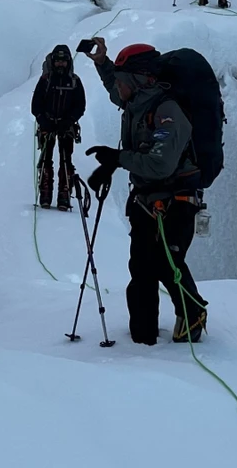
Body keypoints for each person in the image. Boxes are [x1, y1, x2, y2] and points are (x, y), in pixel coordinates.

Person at [81, 37, 209, 345]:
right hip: (145, 200)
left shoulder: (168, 112)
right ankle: (142, 337)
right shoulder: (136, 102)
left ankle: (193, 313)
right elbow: (116, 86)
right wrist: (102, 63)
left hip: (176, 201)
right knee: (141, 268)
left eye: (124, 83)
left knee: (167, 263)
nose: (118, 91)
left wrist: (118, 159)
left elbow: (161, 164)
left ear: (139, 81)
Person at [31, 45, 86, 210]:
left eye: (63, 61)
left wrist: (69, 120)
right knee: (47, 159)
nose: (60, 64)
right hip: (49, 124)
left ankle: (64, 195)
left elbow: (80, 105)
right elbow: (36, 105)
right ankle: (46, 194)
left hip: (65, 125)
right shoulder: (46, 80)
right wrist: (43, 120)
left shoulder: (74, 81)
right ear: (52, 62)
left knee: (65, 160)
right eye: (58, 61)